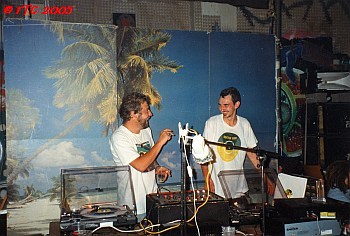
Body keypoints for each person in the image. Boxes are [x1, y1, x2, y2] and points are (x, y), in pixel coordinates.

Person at [109, 92, 173, 218]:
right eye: (147, 110)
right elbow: (140, 165)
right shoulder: (119, 137)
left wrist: (157, 168)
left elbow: (149, 158)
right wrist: (160, 142)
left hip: (152, 200)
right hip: (132, 206)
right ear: (133, 114)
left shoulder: (146, 130)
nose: (151, 114)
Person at [200, 87, 270, 198]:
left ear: (236, 105)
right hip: (216, 189)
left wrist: (266, 178)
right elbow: (202, 155)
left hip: (239, 189)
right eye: (220, 105)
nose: (222, 109)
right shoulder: (211, 123)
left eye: (226, 105)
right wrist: (207, 180)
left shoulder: (244, 124)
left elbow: (252, 155)